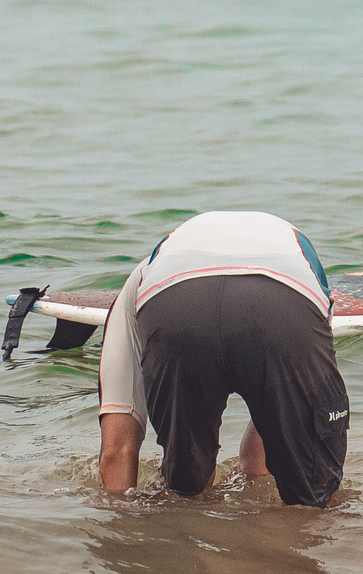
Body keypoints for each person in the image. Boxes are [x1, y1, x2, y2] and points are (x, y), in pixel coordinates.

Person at [97, 210, 350, 508]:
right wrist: (254, 466)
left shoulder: (142, 280)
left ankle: (173, 523)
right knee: (313, 493)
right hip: (285, 294)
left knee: (184, 489)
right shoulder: (302, 259)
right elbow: (284, 401)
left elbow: (116, 451)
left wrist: (118, 519)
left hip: (172, 301)